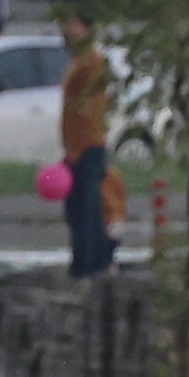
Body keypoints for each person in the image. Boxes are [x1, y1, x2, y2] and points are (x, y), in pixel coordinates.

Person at [56, 14, 121, 279]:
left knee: (88, 207)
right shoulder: (79, 62)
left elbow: (90, 110)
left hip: (87, 147)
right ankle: (84, 259)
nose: (66, 30)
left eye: (72, 25)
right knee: (77, 209)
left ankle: (94, 262)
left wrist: (78, 149)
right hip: (74, 149)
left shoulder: (92, 63)